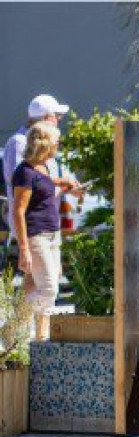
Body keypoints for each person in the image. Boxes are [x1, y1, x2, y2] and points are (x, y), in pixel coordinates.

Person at [12, 122, 79, 340]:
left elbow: (46, 182)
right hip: (36, 236)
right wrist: (24, 249)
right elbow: (18, 212)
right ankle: (12, 326)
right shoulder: (24, 172)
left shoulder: (43, 167)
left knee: (35, 285)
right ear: (45, 144)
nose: (59, 144)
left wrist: (64, 182)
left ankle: (40, 339)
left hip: (53, 234)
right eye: (56, 141)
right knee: (49, 288)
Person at [3, 94, 70, 240]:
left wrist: (66, 186)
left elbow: (45, 181)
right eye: (57, 116)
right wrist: (59, 182)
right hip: (31, 227)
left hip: (49, 224)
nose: (58, 121)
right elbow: (22, 182)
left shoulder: (46, 143)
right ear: (48, 118)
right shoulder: (18, 142)